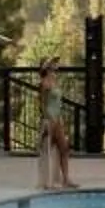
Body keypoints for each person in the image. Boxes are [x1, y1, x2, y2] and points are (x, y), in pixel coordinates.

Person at [37, 59, 72, 188]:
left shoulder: (54, 81)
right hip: (50, 119)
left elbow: (58, 103)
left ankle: (66, 179)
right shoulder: (44, 83)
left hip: (58, 118)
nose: (54, 69)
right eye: (51, 67)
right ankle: (46, 182)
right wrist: (47, 119)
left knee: (64, 149)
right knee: (47, 150)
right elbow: (42, 104)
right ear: (46, 69)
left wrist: (59, 118)